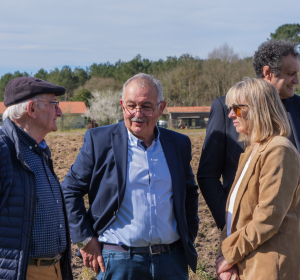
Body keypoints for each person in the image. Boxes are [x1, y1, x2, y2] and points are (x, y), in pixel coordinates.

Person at [61, 73, 199, 279]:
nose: (137, 113)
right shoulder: (99, 141)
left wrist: (188, 237)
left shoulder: (178, 144)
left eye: (146, 106)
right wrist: (85, 240)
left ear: (161, 108)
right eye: (130, 105)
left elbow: (189, 193)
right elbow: (69, 191)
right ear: (121, 105)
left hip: (171, 262)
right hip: (118, 262)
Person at [197, 40, 300, 230]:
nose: (297, 80)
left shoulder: (299, 107)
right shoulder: (226, 108)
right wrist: (229, 225)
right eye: (290, 74)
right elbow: (208, 175)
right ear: (268, 73)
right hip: (245, 230)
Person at [216, 78, 300, 280]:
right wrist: (227, 258)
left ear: (257, 108)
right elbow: (235, 215)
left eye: (236, 108)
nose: (230, 115)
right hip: (247, 264)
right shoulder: (251, 151)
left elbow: (268, 217)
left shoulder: (279, 150)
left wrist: (229, 255)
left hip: (269, 269)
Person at [0, 77, 73, 280]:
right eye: (54, 105)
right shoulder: (3, 151)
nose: (59, 112)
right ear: (32, 109)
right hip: (24, 272)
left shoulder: (38, 151)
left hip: (55, 269)